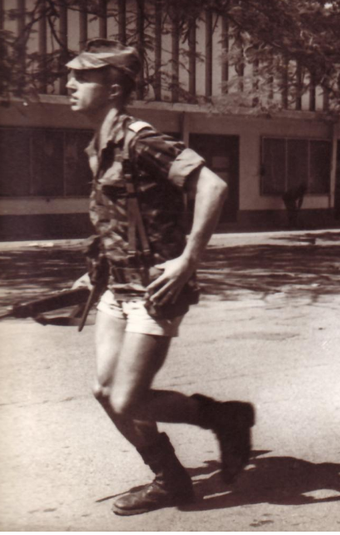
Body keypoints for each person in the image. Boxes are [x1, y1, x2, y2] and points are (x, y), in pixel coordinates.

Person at [66, 39, 255, 516]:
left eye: (81, 77)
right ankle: (169, 479)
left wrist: (189, 258)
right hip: (117, 287)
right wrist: (93, 275)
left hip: (154, 290)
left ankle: (224, 418)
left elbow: (213, 185)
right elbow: (118, 217)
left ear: (112, 89)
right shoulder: (100, 145)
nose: (69, 83)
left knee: (128, 398)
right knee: (104, 393)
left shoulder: (140, 139)